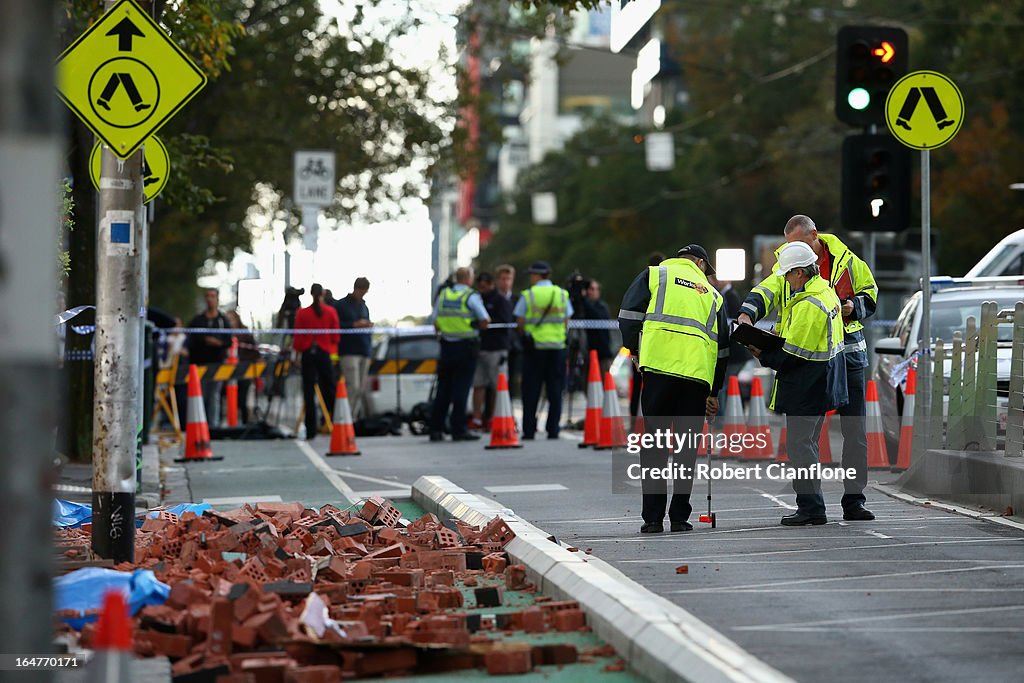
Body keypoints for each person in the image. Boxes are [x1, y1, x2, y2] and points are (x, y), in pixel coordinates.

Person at [737, 214, 877, 521]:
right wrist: (747, 313)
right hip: (811, 354)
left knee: (852, 433)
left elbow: (871, 294)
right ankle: (814, 505)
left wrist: (854, 307)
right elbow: (768, 289)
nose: (792, 251)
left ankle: (853, 501)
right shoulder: (794, 263)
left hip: (845, 354)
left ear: (814, 236)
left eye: (798, 244)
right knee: (807, 436)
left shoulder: (847, 261)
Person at [618, 244, 730, 534]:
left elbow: (628, 314)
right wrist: (714, 392)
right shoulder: (714, 295)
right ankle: (679, 517)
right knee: (685, 449)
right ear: (701, 264)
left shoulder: (655, 275)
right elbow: (722, 350)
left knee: (654, 445)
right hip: (695, 379)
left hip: (658, 371)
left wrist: (634, 349)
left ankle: (652, 519)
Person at [745, 241, 847, 525]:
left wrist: (763, 353)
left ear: (801, 272)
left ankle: (811, 508)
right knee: (807, 445)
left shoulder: (808, 304)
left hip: (807, 384)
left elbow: (794, 352)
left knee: (801, 448)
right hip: (821, 382)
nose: (786, 280)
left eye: (788, 274)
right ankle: (812, 507)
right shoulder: (825, 293)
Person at [429, 267, 490, 441]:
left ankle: (436, 430)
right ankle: (458, 430)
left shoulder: (444, 295)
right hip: (466, 348)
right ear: (469, 278)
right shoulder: (471, 296)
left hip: (446, 347)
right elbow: (485, 320)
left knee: (443, 390)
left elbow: (436, 322)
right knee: (461, 390)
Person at [514, 261, 573, 440]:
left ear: (538, 275)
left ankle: (529, 430)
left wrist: (528, 334)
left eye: (532, 274)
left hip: (535, 349)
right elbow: (566, 320)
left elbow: (520, 322)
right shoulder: (562, 294)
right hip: (557, 348)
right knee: (555, 390)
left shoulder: (528, 295)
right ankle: (553, 429)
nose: (531, 278)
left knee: (531, 389)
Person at [293, 284, 340, 440]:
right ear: (323, 294)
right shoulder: (330, 312)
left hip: (308, 354)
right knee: (329, 387)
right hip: (324, 353)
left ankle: (311, 429)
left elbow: (298, 339)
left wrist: (300, 351)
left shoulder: (302, 313)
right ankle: (332, 421)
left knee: (308, 391)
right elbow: (336, 337)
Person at [470, 271, 514, 430]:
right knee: (479, 384)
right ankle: (477, 418)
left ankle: (496, 417)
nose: (481, 289)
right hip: (480, 348)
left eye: (484, 286)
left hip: (497, 349)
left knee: (498, 385)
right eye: (479, 286)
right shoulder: (477, 299)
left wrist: (488, 324)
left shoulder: (500, 301)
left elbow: (506, 323)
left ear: (491, 284)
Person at [186, 288, 231, 427]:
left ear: (217, 299)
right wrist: (205, 340)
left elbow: (228, 341)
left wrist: (219, 343)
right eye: (208, 296)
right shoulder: (197, 320)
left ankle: (213, 426)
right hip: (199, 364)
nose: (210, 299)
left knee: (214, 395)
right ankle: (198, 424)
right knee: (200, 395)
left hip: (217, 364)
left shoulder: (223, 321)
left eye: (213, 296)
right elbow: (191, 340)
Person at [630, 252, 665, 419]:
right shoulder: (665, 283)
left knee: (638, 385)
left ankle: (634, 420)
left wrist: (632, 348)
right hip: (661, 344)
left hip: (643, 341)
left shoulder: (644, 280)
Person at [707, 272, 750, 409]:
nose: (715, 281)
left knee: (722, 387)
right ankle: (727, 417)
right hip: (736, 353)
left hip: (735, 354)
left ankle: (722, 418)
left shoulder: (730, 296)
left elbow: (733, 324)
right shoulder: (728, 295)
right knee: (727, 386)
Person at [333, 277, 373, 420]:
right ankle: (344, 418)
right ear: (357, 289)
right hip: (349, 351)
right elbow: (336, 326)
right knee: (353, 386)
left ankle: (352, 419)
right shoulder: (341, 305)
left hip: (364, 350)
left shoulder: (364, 306)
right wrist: (354, 325)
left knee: (360, 389)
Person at [226, 310, 260, 424]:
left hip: (245, 370)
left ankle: (245, 422)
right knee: (230, 398)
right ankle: (231, 421)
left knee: (242, 398)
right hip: (227, 371)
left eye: (231, 319)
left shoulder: (244, 333)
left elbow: (255, 351)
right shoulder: (224, 334)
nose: (230, 322)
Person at [496, 264, 522, 398]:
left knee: (511, 379)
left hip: (513, 347)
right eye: (502, 279)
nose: (505, 282)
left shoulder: (518, 299)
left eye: (508, 279)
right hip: (496, 346)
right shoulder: (492, 299)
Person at [580, 278, 614, 377]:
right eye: (591, 289)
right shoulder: (583, 307)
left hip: (602, 354)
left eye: (596, 289)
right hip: (587, 353)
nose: (594, 292)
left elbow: (597, 316)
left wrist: (584, 300)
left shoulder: (602, 307)